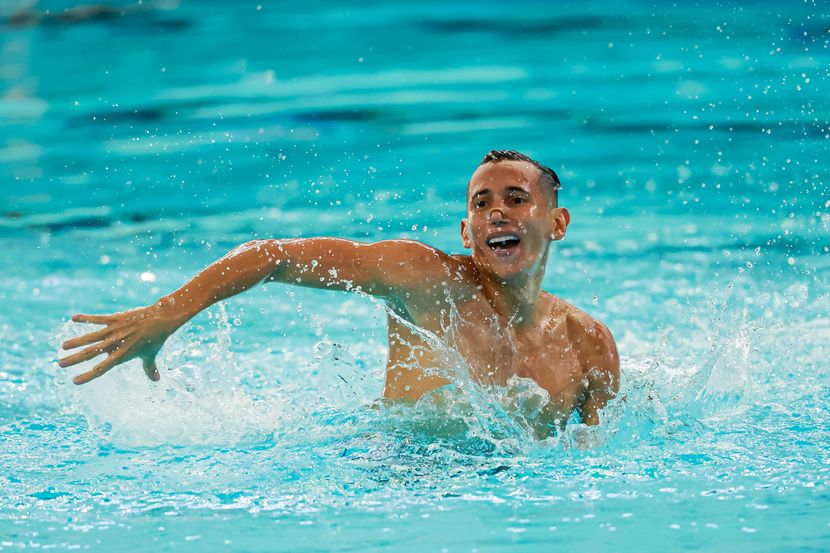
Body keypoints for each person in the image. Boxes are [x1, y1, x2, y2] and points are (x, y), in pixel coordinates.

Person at [59, 150, 619, 431]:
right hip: (397, 485)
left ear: (558, 222)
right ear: (466, 232)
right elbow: (273, 256)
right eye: (481, 203)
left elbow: (601, 469)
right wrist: (165, 314)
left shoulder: (590, 345)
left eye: (517, 199)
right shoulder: (426, 281)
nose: (497, 211)